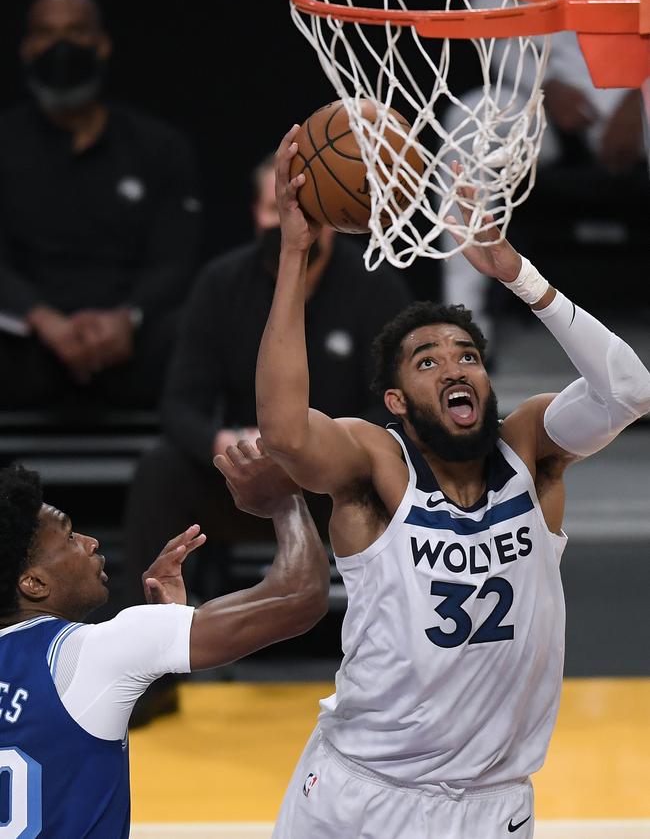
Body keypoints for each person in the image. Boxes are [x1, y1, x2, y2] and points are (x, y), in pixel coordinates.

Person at [254, 127, 650, 838]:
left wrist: (519, 275)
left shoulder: (530, 451)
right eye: (428, 362)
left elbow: (630, 391)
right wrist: (294, 252)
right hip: (358, 791)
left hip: (488, 804)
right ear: (398, 402)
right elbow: (285, 433)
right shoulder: (378, 467)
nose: (457, 366)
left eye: (467, 353)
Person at [120, 152, 412, 722]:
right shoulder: (222, 282)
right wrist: (226, 445)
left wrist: (317, 450)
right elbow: (180, 404)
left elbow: (393, 411)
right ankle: (146, 670)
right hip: (245, 479)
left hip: (341, 487)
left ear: (333, 217)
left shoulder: (375, 290)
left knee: (399, 479)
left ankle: (407, 669)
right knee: (159, 470)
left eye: (306, 211)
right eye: (273, 206)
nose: (289, 222)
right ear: (257, 213)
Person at [0, 438, 329, 838]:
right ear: (33, 583)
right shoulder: (99, 651)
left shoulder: (103, 654)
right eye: (69, 538)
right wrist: (285, 498)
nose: (90, 542)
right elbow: (299, 597)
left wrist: (161, 628)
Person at [0, 0, 202, 411]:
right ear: (26, 47)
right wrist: (42, 319)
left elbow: (174, 261)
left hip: (132, 342)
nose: (61, 45)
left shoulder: (159, 147)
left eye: (76, 31)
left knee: (206, 324)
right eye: (46, 33)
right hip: (27, 340)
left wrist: (126, 318)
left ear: (102, 44)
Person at [438, 0, 647, 346]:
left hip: (638, 89)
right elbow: (497, 19)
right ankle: (462, 323)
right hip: (539, 95)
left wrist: (640, 96)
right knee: (471, 122)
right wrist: (545, 82)